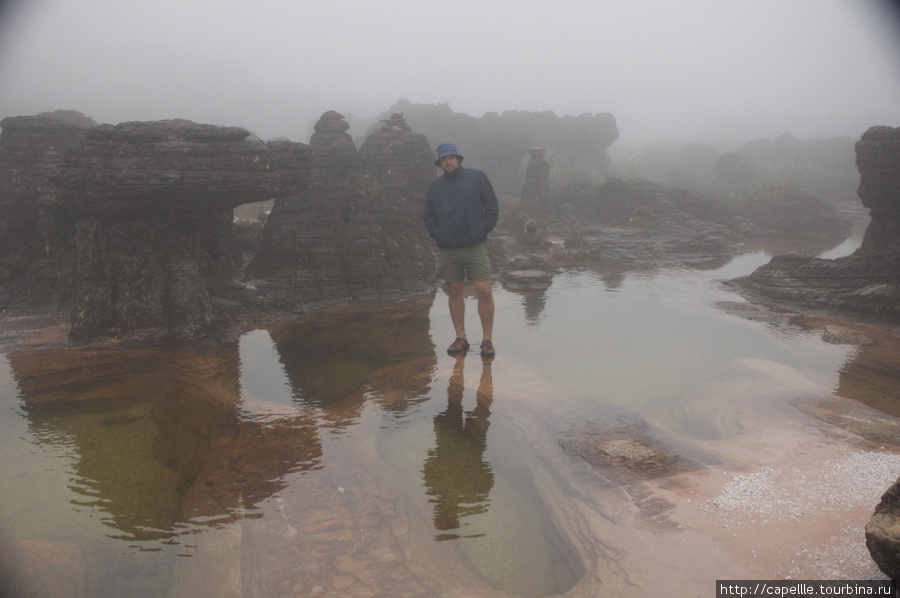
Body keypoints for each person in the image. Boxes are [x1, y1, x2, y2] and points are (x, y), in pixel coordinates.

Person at [423, 143, 499, 357]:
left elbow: (492, 206)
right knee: (454, 290)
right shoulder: (435, 186)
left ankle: (487, 340)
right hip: (448, 249)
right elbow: (428, 214)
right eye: (444, 160)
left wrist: (482, 229)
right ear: (440, 163)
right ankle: (461, 338)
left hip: (475, 246)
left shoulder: (477, 177)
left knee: (484, 291)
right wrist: (439, 235)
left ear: (458, 159)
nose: (448, 162)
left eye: (452, 158)